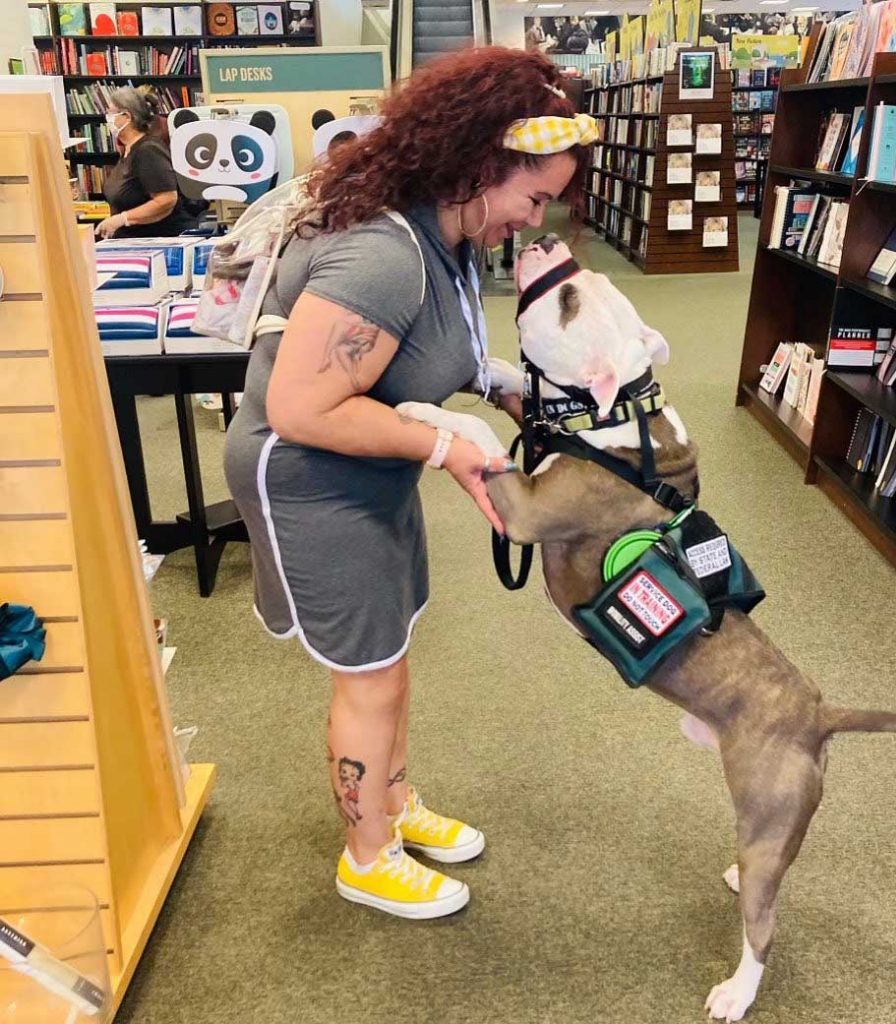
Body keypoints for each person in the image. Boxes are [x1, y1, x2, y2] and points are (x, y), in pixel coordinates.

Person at [223, 47, 596, 921]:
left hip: (369, 460)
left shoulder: (449, 236)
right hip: (310, 473)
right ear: (478, 167)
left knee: (389, 656)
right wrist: (444, 447)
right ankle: (367, 854)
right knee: (369, 673)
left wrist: (496, 381)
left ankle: (391, 802)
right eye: (533, 197)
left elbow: (428, 349)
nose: (536, 219)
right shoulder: (384, 254)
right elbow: (302, 407)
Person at [94, 87, 199, 240]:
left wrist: (122, 219)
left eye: (110, 112)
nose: (107, 117)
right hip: (135, 239)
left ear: (127, 116)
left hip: (161, 239)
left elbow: (167, 199)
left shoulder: (148, 150)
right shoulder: (127, 150)